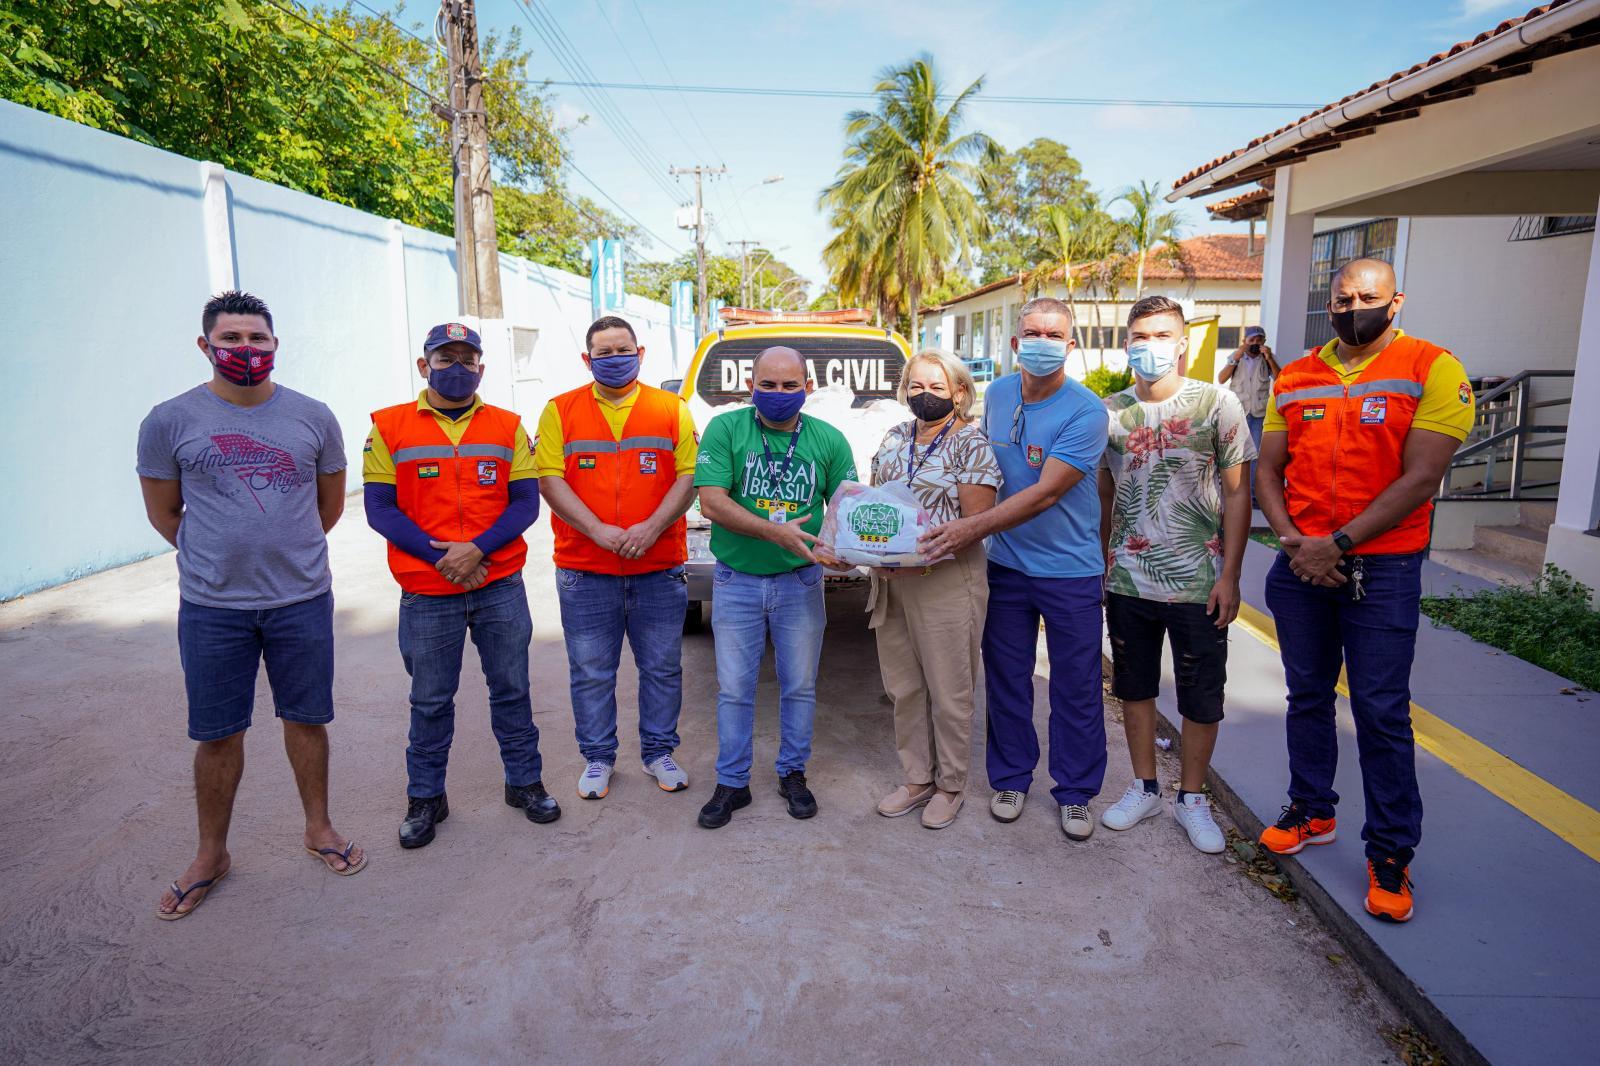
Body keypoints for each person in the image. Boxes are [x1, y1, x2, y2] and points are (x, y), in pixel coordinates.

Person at [1255, 258, 1474, 923]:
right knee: (1307, 697)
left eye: (1367, 297)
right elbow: (1269, 468)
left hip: (1380, 571)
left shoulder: (1433, 368)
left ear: (1396, 301)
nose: (1353, 308)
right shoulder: (1294, 376)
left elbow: (1421, 478)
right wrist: (1297, 542)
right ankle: (1312, 809)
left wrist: (1338, 545)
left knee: (1380, 711)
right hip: (1300, 568)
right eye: (1342, 298)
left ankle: (1390, 855)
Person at [137, 290, 364, 920]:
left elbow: (329, 507)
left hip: (302, 599)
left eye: (256, 339)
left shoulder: (312, 417)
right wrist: (221, 557)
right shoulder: (169, 420)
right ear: (206, 346)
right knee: (216, 734)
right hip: (213, 608)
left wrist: (282, 554)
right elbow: (165, 514)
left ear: (275, 344)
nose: (245, 350)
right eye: (231, 339)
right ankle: (212, 853)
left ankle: (319, 828)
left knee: (308, 719)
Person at [919, 298, 1110, 842]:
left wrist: (966, 530)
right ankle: (1009, 779)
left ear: (1071, 346)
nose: (1042, 341)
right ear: (1014, 342)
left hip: (1069, 570)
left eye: (1054, 334)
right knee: (1006, 681)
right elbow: (967, 458)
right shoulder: (999, 394)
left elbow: (1044, 494)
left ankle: (1075, 793)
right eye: (1032, 332)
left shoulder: (1087, 411)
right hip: (1004, 565)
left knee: (1075, 687)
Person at [364, 321, 557, 849]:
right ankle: (426, 797)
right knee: (430, 699)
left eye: (466, 359)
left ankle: (525, 783)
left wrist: (478, 550)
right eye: (444, 358)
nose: (456, 368)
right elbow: (380, 508)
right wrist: (445, 556)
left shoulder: (507, 426)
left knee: (512, 688)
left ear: (481, 367)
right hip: (428, 588)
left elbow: (525, 502)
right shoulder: (389, 426)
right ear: (423, 366)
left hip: (498, 583)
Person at [1096, 297, 1255, 854]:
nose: (1150, 345)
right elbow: (1105, 495)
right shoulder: (1110, 412)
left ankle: (1192, 798)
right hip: (1129, 581)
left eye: (1162, 334)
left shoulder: (1218, 403)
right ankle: (1143, 788)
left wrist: (1229, 575)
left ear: (1183, 342)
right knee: (1133, 687)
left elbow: (1239, 495)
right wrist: (1103, 564)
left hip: (1197, 579)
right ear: (1126, 344)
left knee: (1201, 694)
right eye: (1140, 335)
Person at [692, 346, 858, 829]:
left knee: (800, 687)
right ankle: (732, 782)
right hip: (736, 580)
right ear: (751, 386)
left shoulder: (828, 439)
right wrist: (775, 531)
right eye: (768, 385)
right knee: (735, 690)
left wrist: (847, 550)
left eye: (790, 386)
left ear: (807, 387)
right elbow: (712, 502)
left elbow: (844, 507)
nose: (778, 394)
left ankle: (792, 773)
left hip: (800, 583)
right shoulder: (727, 430)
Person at [535, 316, 698, 801]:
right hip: (586, 570)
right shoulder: (559, 410)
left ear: (641, 353)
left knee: (663, 667)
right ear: (588, 360)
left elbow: (688, 476)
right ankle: (598, 758)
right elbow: (549, 478)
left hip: (658, 563)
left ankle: (658, 753)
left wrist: (651, 527)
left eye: (622, 349)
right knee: (590, 671)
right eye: (603, 353)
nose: (614, 359)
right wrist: (597, 530)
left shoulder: (672, 409)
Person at [868, 350, 1002, 829]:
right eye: (916, 386)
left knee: (950, 691)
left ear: (960, 393)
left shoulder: (970, 444)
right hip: (892, 582)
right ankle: (916, 777)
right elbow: (874, 502)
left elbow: (974, 523)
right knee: (903, 687)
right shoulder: (894, 437)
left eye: (937, 388)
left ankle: (950, 785)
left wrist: (917, 555)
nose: (924, 396)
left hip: (945, 581)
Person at [1218, 325, 1279, 448]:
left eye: (1259, 340)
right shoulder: (1236, 356)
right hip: (1238, 412)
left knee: (1256, 451)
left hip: (1259, 413)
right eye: (1251, 340)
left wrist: (1270, 359)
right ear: (1244, 341)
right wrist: (1236, 358)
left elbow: (1280, 379)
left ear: (1264, 342)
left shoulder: (1268, 357)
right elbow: (1221, 379)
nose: (1255, 343)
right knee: (1236, 450)